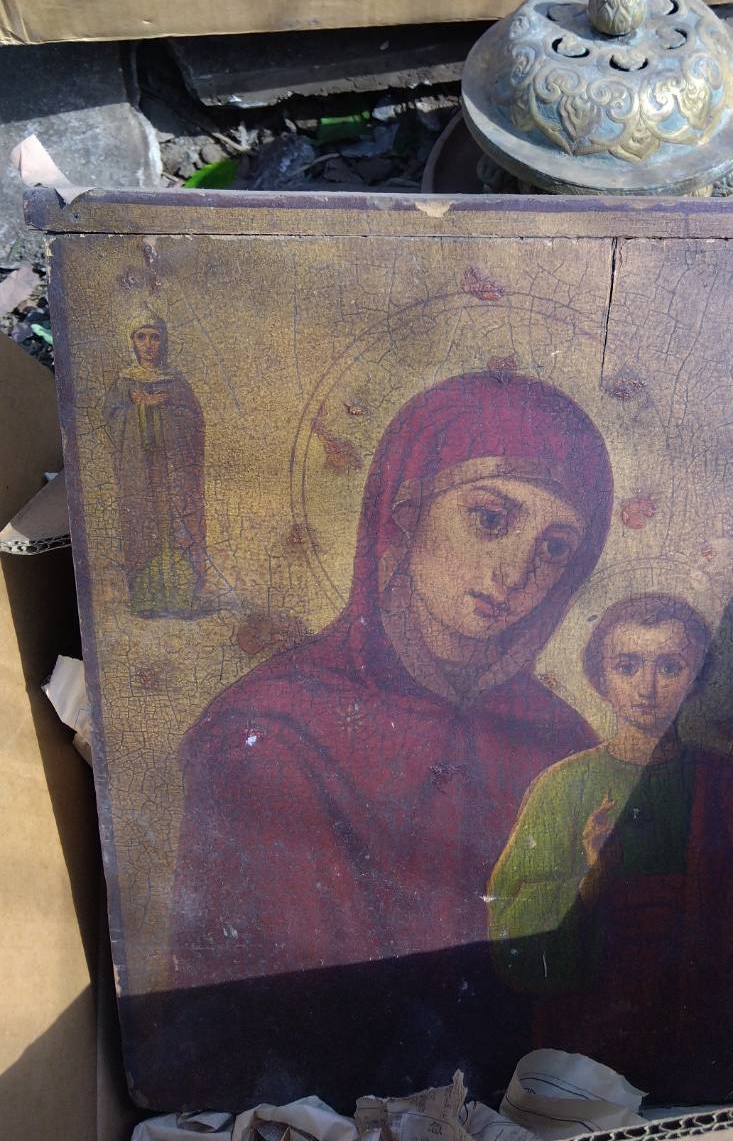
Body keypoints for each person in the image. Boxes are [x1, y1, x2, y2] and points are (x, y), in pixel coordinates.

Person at [171, 372, 613, 1018]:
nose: (515, 573)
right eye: (491, 519)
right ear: (405, 511)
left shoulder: (566, 749)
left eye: (554, 548)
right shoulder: (268, 734)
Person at [486, 593, 733, 1098]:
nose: (647, 688)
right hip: (590, 1037)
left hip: (701, 1037)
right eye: (627, 666)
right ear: (600, 679)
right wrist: (590, 882)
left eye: (669, 667)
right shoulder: (563, 786)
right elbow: (511, 938)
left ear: (697, 679)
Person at [104, 312, 206, 617]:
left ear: (164, 341)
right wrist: (138, 410)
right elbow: (112, 421)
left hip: (171, 474)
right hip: (139, 472)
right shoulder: (124, 382)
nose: (148, 344)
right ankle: (147, 599)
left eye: (155, 337)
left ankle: (182, 598)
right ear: (133, 342)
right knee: (143, 525)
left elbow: (194, 422)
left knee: (176, 526)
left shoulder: (175, 382)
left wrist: (165, 409)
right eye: (142, 337)